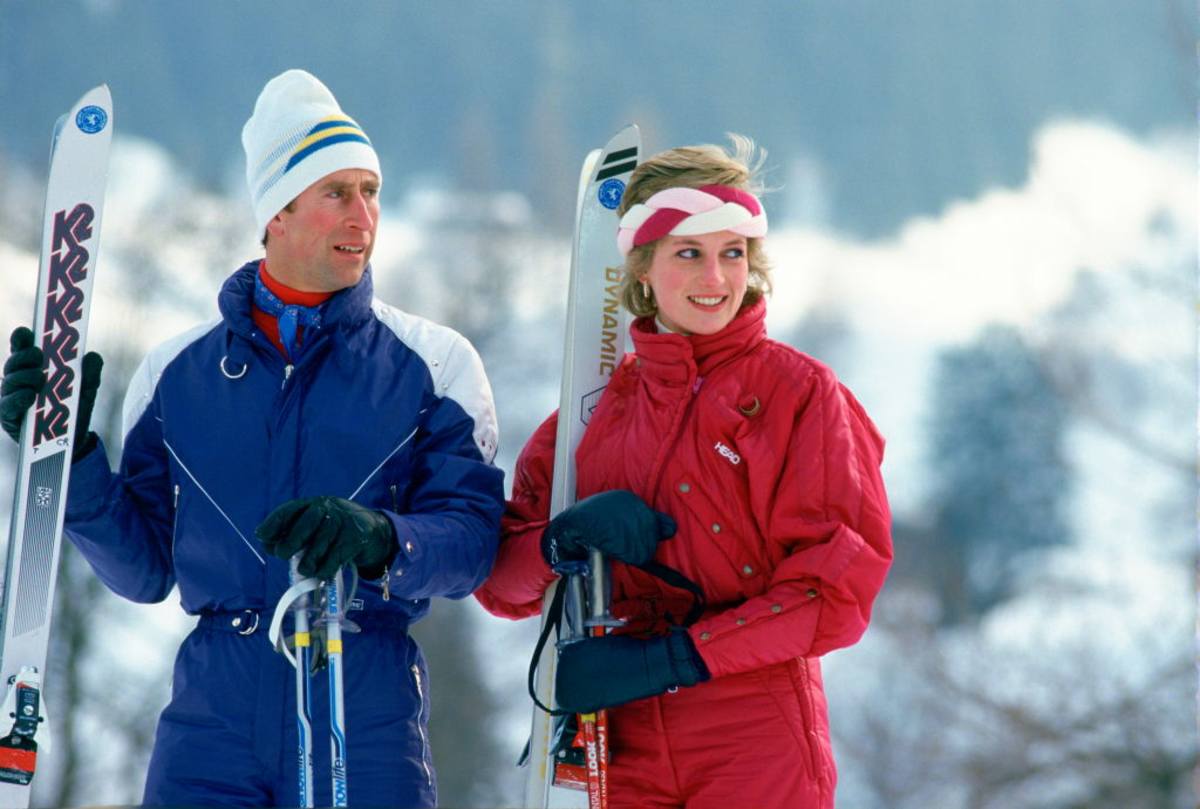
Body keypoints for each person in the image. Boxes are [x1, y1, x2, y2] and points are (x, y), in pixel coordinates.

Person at [0, 69, 504, 808]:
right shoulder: (177, 374)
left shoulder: (433, 364)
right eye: (337, 192)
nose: (363, 214)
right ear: (276, 211)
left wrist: (382, 539)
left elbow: (473, 544)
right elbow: (143, 568)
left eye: (372, 191)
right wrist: (68, 463)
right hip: (213, 717)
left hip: (361, 699)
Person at [475, 136, 893, 809]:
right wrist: (561, 540)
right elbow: (500, 584)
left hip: (754, 738)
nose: (716, 278)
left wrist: (668, 660)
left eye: (733, 253)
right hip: (619, 744)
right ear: (641, 268)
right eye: (689, 253)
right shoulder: (593, 413)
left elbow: (836, 594)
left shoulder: (800, 396)